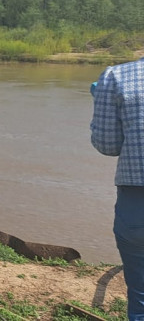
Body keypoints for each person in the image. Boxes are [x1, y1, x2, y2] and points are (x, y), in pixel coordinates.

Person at [91, 58, 144, 320]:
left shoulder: (117, 77)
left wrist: (103, 99)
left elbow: (107, 144)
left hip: (137, 205)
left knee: (141, 297)